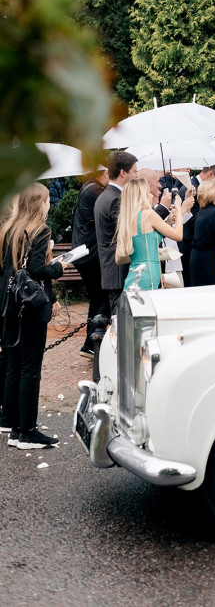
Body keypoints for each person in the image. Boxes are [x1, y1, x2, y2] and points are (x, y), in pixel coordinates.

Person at [0, 183, 70, 449]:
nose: (49, 203)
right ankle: (27, 431)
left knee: (14, 367)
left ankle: (14, 426)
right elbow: (38, 270)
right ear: (38, 203)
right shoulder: (39, 231)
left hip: (10, 307)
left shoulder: (8, 230)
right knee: (30, 369)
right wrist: (59, 267)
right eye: (47, 199)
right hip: (29, 308)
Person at [115, 178, 183, 291]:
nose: (152, 196)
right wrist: (179, 209)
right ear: (142, 196)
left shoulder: (127, 219)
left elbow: (119, 259)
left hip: (135, 275)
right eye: (148, 193)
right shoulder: (148, 214)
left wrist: (147, 253)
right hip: (148, 276)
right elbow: (178, 235)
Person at [71, 168, 110, 359]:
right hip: (90, 253)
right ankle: (92, 342)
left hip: (85, 253)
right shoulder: (96, 191)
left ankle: (91, 344)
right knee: (104, 296)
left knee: (97, 297)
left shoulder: (89, 188)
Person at [94, 151, 139, 315]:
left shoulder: (105, 195)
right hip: (118, 270)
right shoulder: (116, 198)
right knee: (121, 324)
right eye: (134, 171)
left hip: (112, 269)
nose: (136, 175)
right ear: (123, 172)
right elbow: (129, 230)